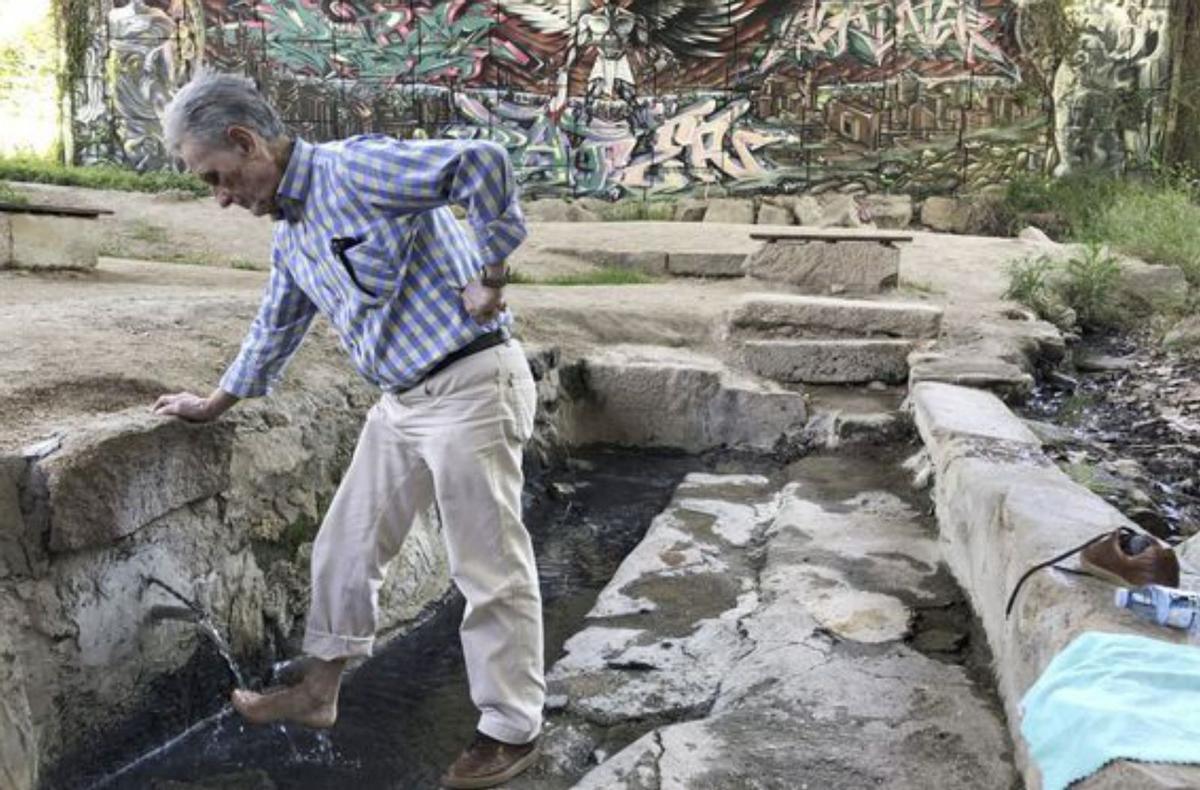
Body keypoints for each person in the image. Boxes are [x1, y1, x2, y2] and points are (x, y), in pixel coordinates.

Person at [152, 70, 544, 789]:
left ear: (245, 141)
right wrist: (212, 403)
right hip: (401, 403)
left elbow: (483, 161)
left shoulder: (354, 170)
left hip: (470, 383)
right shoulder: (291, 233)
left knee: (488, 568)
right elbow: (275, 326)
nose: (220, 197)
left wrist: (493, 273)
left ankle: (511, 729)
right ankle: (319, 692)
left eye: (216, 176)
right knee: (345, 545)